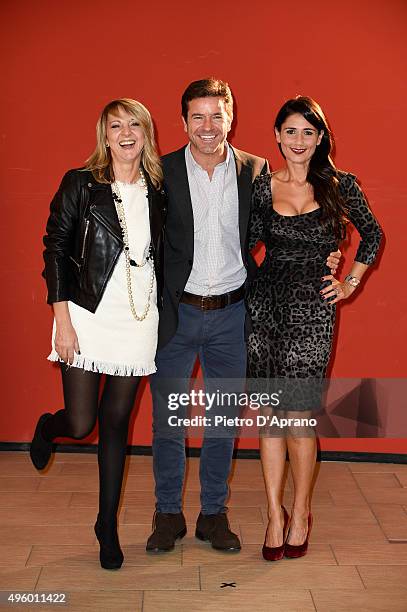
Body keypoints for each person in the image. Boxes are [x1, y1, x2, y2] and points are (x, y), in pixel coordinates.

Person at [146, 80, 341, 554]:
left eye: (217, 116)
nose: (208, 127)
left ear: (231, 117)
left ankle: (214, 514)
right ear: (184, 122)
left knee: (224, 420)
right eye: (198, 117)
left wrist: (328, 256)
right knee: (168, 421)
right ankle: (167, 514)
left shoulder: (256, 171)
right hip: (177, 314)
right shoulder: (162, 171)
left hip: (235, 316)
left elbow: (285, 229)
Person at [30, 98, 166, 570]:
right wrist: (61, 320)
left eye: (135, 124)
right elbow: (55, 250)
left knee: (115, 425)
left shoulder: (159, 190)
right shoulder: (80, 185)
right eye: (116, 126)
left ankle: (106, 526)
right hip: (85, 314)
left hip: (138, 317)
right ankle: (51, 426)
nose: (126, 133)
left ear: (146, 133)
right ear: (104, 135)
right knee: (82, 422)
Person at [247, 96, 382, 561]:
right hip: (265, 309)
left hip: (314, 310)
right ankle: (272, 514)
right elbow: (245, 247)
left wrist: (349, 282)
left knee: (299, 417)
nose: (299, 140)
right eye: (290, 131)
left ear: (320, 137)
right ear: (276, 136)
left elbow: (374, 234)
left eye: (308, 132)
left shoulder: (342, 186)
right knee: (268, 417)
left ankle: (301, 512)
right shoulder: (262, 189)